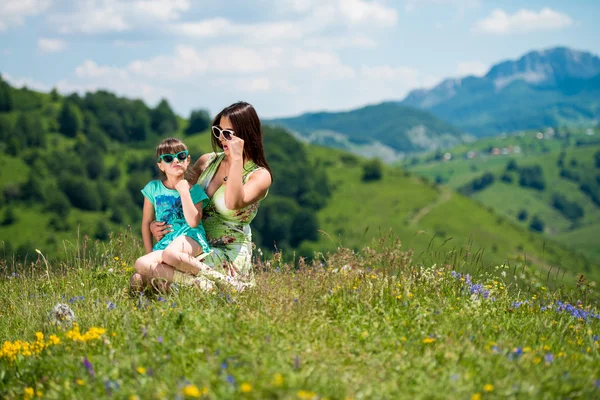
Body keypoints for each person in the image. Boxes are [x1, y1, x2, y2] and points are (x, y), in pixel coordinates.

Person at [131, 101, 272, 292]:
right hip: (191, 242)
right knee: (139, 276)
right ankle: (201, 287)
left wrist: (237, 159)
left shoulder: (259, 176)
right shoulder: (207, 161)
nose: (222, 138)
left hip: (226, 252)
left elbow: (232, 203)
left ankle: (225, 284)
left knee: (152, 275)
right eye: (218, 131)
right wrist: (154, 224)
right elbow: (177, 190)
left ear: (246, 134)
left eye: (228, 133)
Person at [131, 137, 213, 293]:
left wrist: (183, 191)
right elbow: (146, 222)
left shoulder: (194, 190)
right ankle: (192, 283)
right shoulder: (153, 188)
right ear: (161, 166)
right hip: (164, 244)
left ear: (187, 160)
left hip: (190, 239)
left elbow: (194, 222)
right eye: (168, 158)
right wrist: (150, 254)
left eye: (181, 156)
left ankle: (200, 282)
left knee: (162, 268)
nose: (175, 160)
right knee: (139, 272)